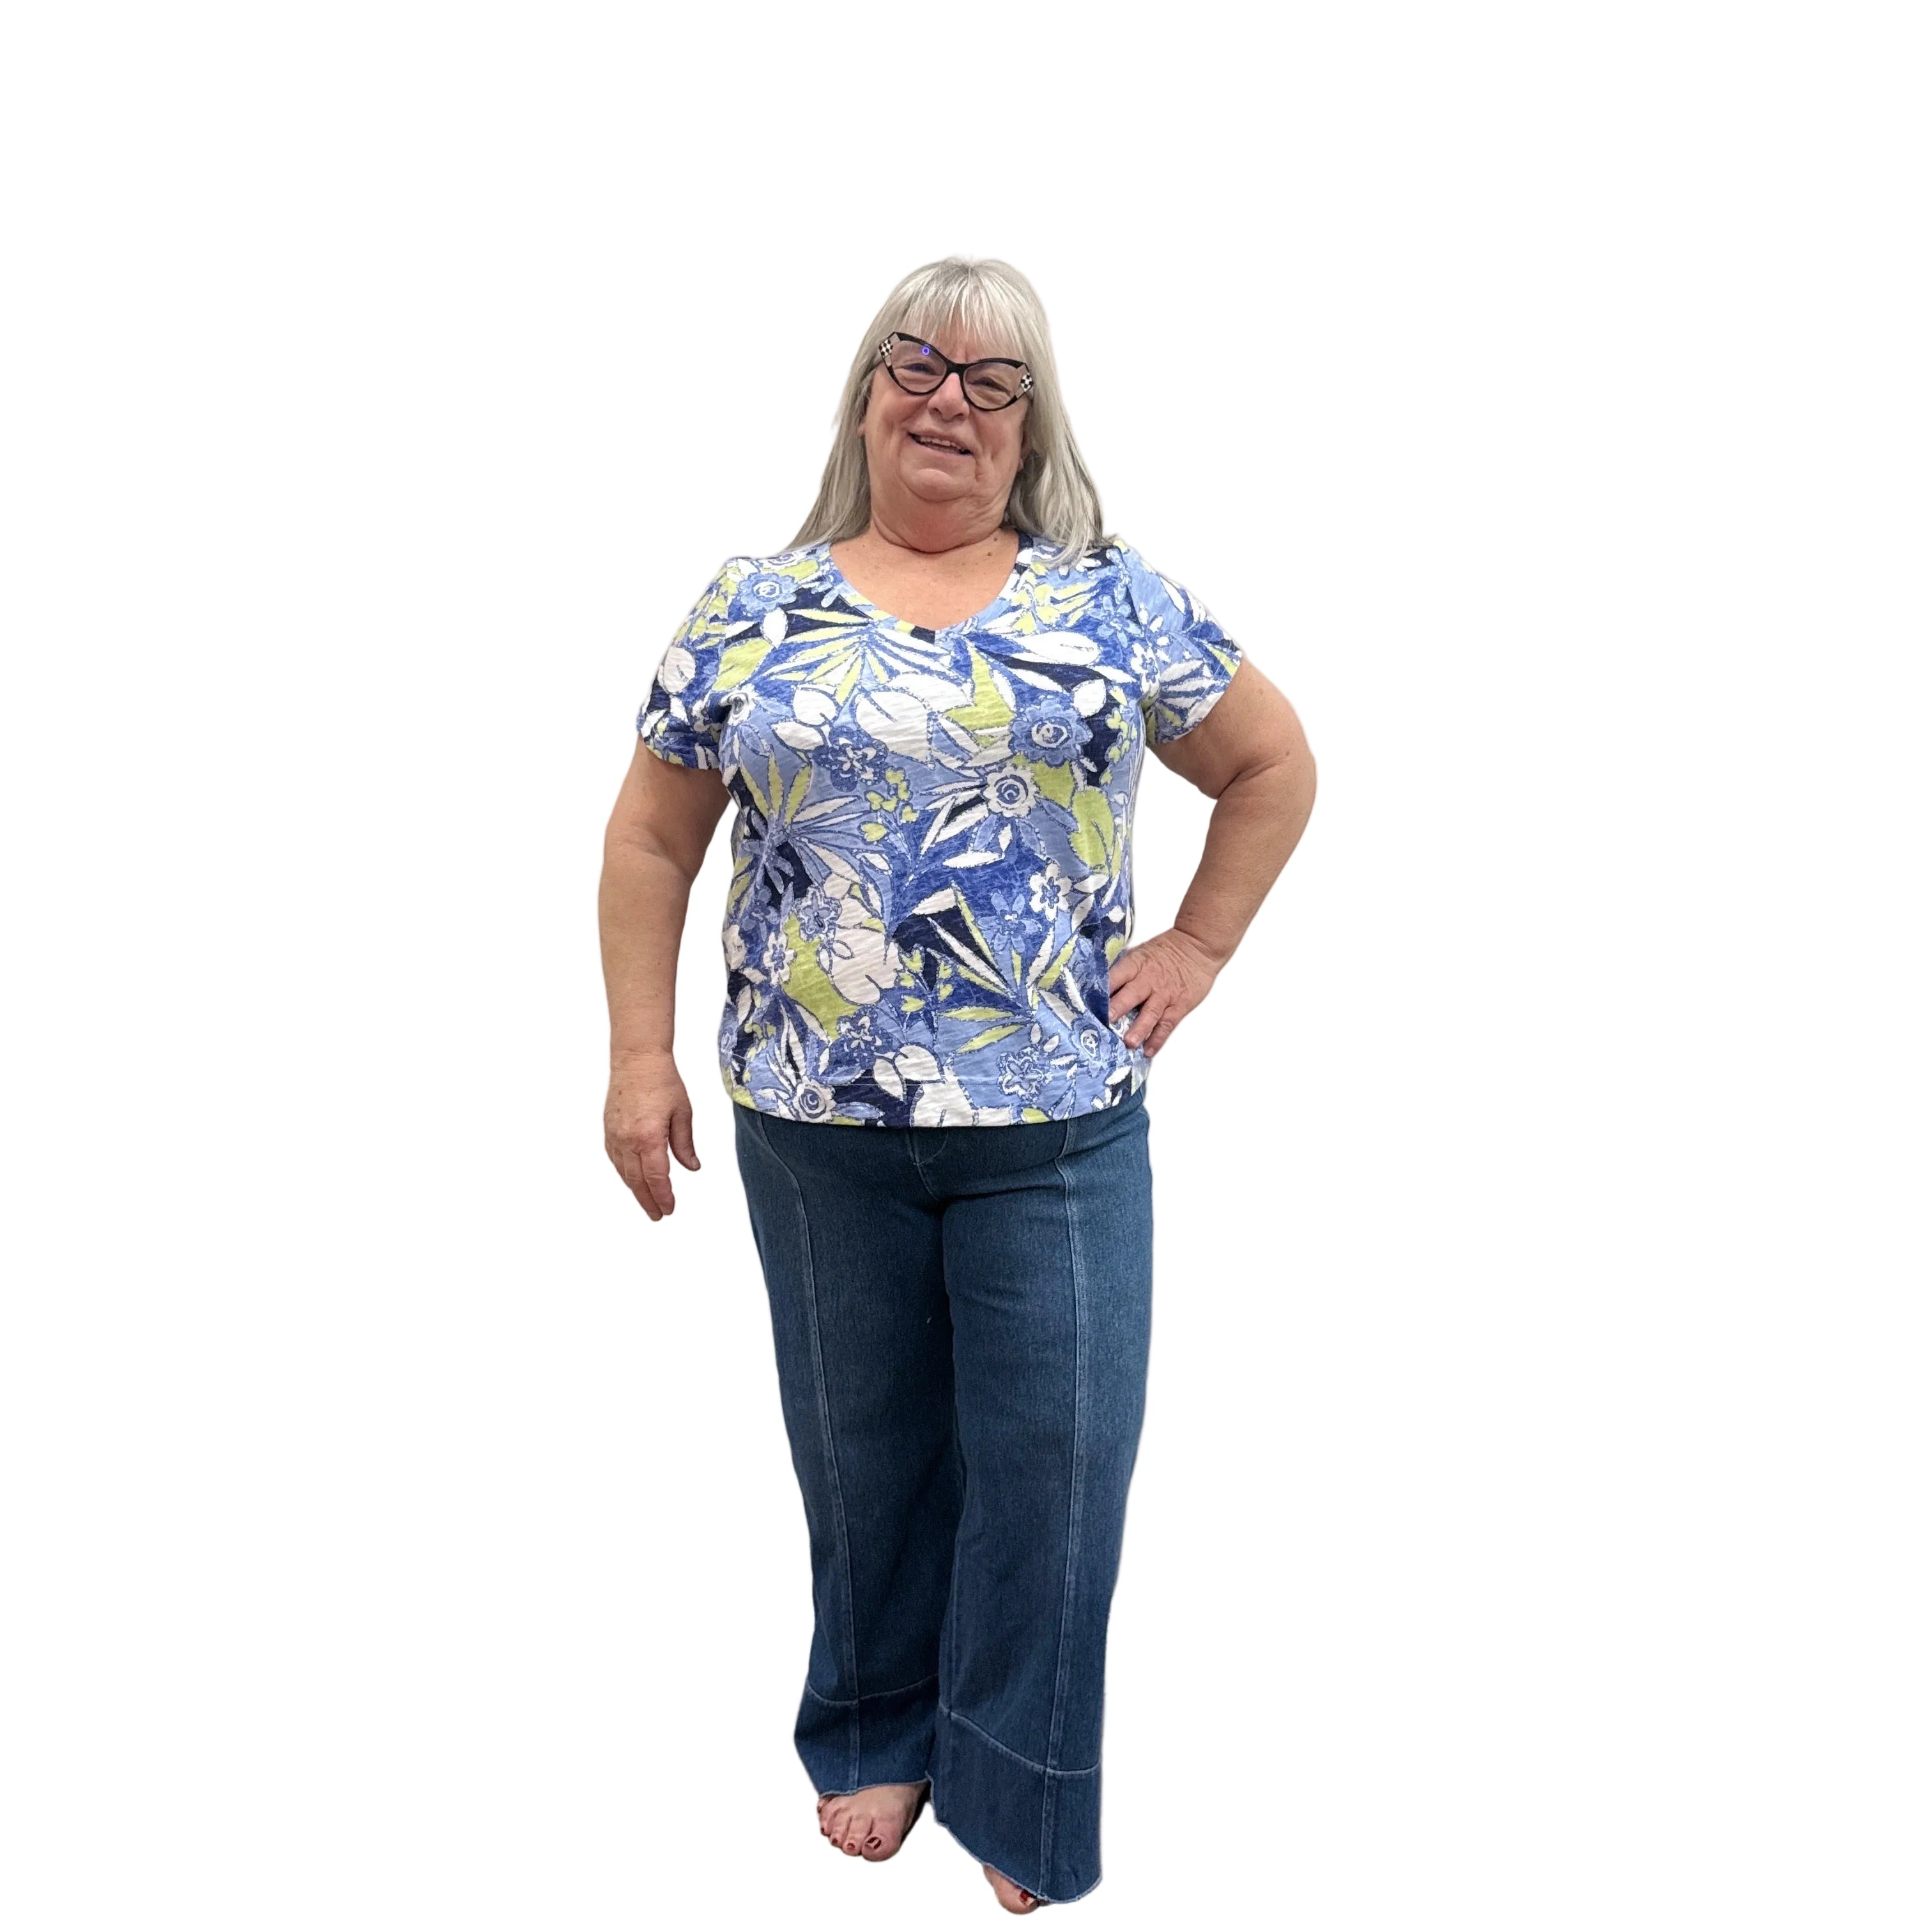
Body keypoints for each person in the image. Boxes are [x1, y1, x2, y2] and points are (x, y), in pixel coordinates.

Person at [599, 256, 1316, 1912]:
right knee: (864, 1454)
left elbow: (1272, 763)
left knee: (1053, 1466)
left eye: (993, 381)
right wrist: (639, 1053)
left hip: (1056, 1124)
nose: (947, 398)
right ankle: (873, 1723)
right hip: (814, 1124)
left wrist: (1201, 946)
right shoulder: (750, 606)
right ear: (865, 397)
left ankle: (1021, 1785)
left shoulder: (1111, 602)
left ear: (1032, 427)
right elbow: (650, 835)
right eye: (915, 363)